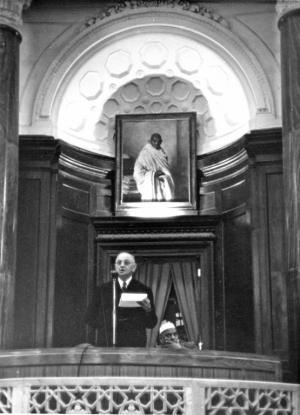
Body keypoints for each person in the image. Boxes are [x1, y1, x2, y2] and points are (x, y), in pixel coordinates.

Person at [85, 252, 157, 347]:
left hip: (134, 346)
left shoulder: (144, 290)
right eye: (119, 263)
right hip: (107, 344)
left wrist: (148, 310)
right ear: (115, 267)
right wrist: (107, 324)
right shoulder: (102, 290)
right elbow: (89, 317)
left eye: (126, 263)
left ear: (134, 267)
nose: (122, 265)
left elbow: (151, 324)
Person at [133, 133, 175, 201]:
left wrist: (164, 175)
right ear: (150, 141)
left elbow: (166, 169)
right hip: (150, 183)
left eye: (158, 141)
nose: (156, 143)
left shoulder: (162, 152)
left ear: (161, 142)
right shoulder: (145, 153)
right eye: (154, 141)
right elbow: (137, 172)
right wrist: (153, 174)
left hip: (163, 183)